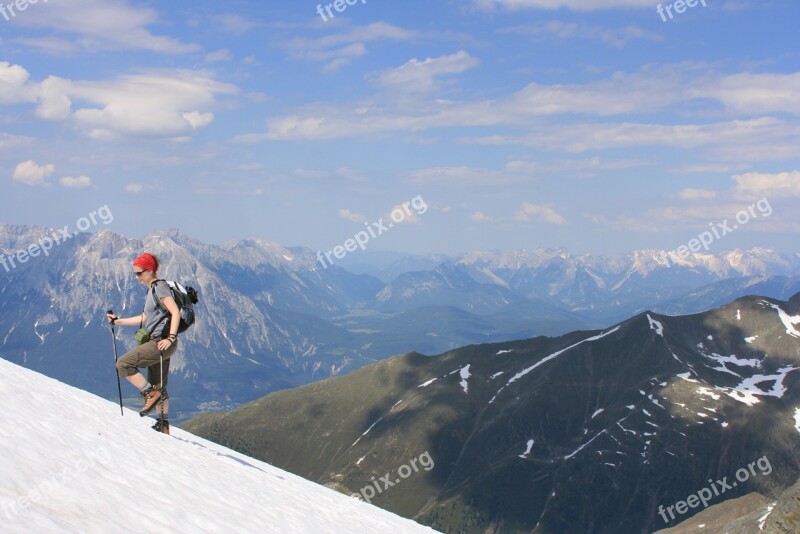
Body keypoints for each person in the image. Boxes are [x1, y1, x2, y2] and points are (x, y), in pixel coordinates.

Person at [107, 252, 180, 434]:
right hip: (163, 344)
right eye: (135, 274)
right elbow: (145, 318)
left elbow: (175, 311)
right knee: (160, 386)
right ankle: (163, 425)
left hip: (160, 343)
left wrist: (170, 338)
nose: (137, 277)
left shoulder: (159, 288)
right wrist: (118, 321)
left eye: (139, 273)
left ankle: (149, 393)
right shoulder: (153, 290)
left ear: (150, 270)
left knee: (123, 364)